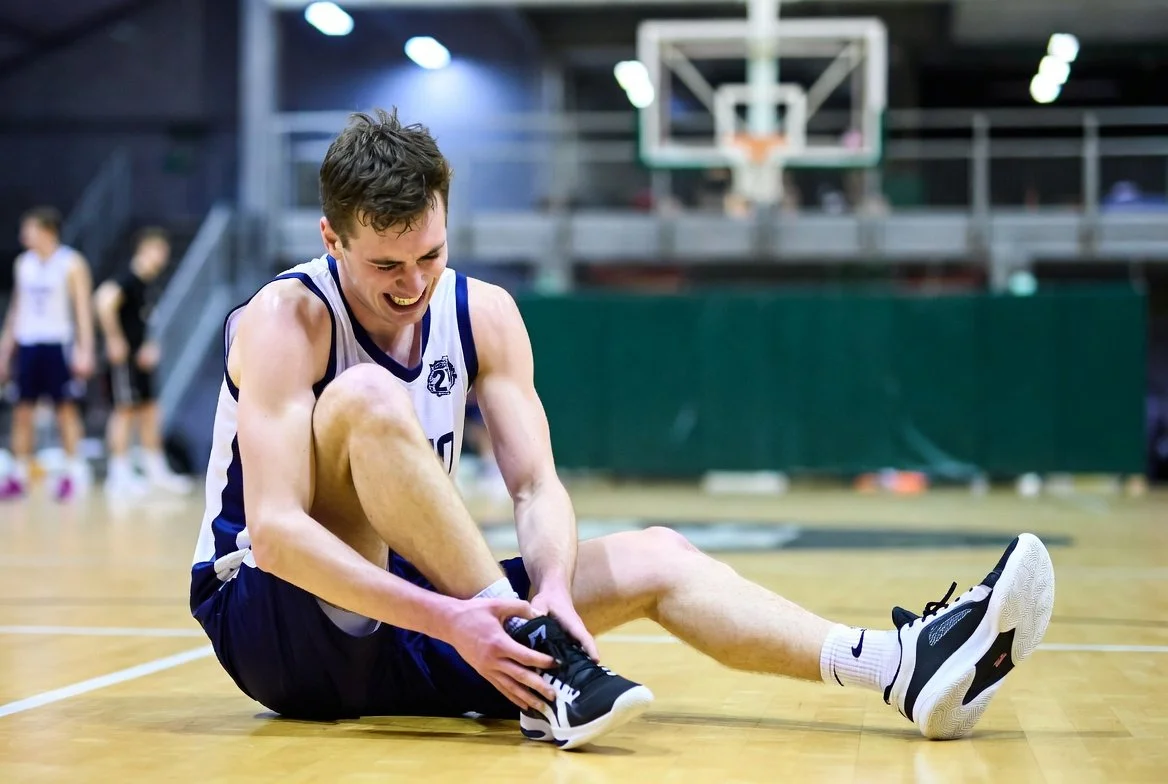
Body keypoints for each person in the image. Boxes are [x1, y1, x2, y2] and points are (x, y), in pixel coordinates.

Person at [189, 108, 1056, 750]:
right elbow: (275, 534)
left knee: (657, 554)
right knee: (367, 400)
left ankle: (898, 667)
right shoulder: (285, 320)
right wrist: (460, 618)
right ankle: (539, 649)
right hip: (278, 624)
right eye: (385, 265)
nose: (414, 283)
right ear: (331, 238)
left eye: (431, 254)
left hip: (427, 614)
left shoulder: (482, 312)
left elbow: (536, 486)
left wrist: (556, 586)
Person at [0, 206, 95, 501]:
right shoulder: (23, 263)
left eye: (29, 228)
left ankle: (72, 472)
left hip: (58, 343)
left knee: (65, 409)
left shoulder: (71, 263)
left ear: (48, 231)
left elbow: (82, 309)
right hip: (29, 343)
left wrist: (85, 349)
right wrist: (4, 351)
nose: (23, 234)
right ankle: (19, 473)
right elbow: (17, 309)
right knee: (22, 410)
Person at [94, 227, 193, 496]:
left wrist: (149, 345)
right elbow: (103, 300)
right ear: (146, 249)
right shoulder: (128, 278)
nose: (163, 257)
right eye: (160, 250)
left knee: (151, 410)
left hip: (141, 360)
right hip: (125, 360)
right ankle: (119, 474)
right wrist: (114, 340)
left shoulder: (148, 282)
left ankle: (155, 469)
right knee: (124, 410)